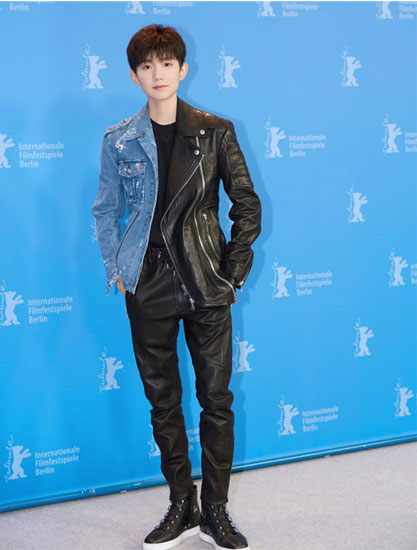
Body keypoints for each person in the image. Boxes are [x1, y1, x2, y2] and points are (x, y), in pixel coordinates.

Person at [91, 23, 261, 550]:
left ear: (183, 69)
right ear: (134, 75)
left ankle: (215, 511)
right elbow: (105, 210)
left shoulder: (216, 131)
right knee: (162, 401)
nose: (157, 74)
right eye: (146, 66)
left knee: (216, 399)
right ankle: (181, 505)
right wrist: (117, 269)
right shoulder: (118, 140)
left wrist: (232, 271)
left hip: (205, 281)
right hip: (147, 283)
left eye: (166, 63)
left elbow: (246, 204)